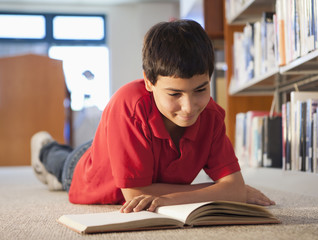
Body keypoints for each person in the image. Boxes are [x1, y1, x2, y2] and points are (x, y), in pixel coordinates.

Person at [31, 19, 275, 214]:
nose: (189, 107)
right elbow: (135, 195)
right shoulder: (128, 104)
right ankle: (44, 147)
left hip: (128, 151)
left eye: (200, 89)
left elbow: (234, 189)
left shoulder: (210, 116)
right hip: (88, 168)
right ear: (148, 81)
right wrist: (217, 189)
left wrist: (229, 190)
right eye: (174, 93)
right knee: (58, 162)